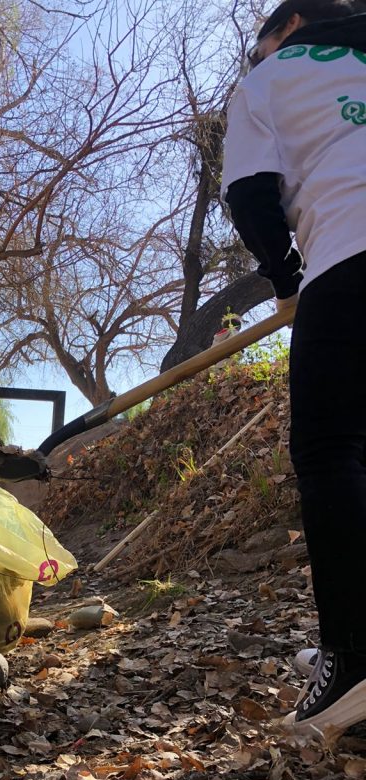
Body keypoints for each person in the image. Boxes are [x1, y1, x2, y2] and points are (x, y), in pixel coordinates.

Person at [222, 0, 366, 735]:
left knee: (330, 452)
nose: (257, 58)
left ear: (292, 27)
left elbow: (250, 194)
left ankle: (354, 661)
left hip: (350, 254)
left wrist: (285, 281)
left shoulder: (269, 79)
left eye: (261, 44)